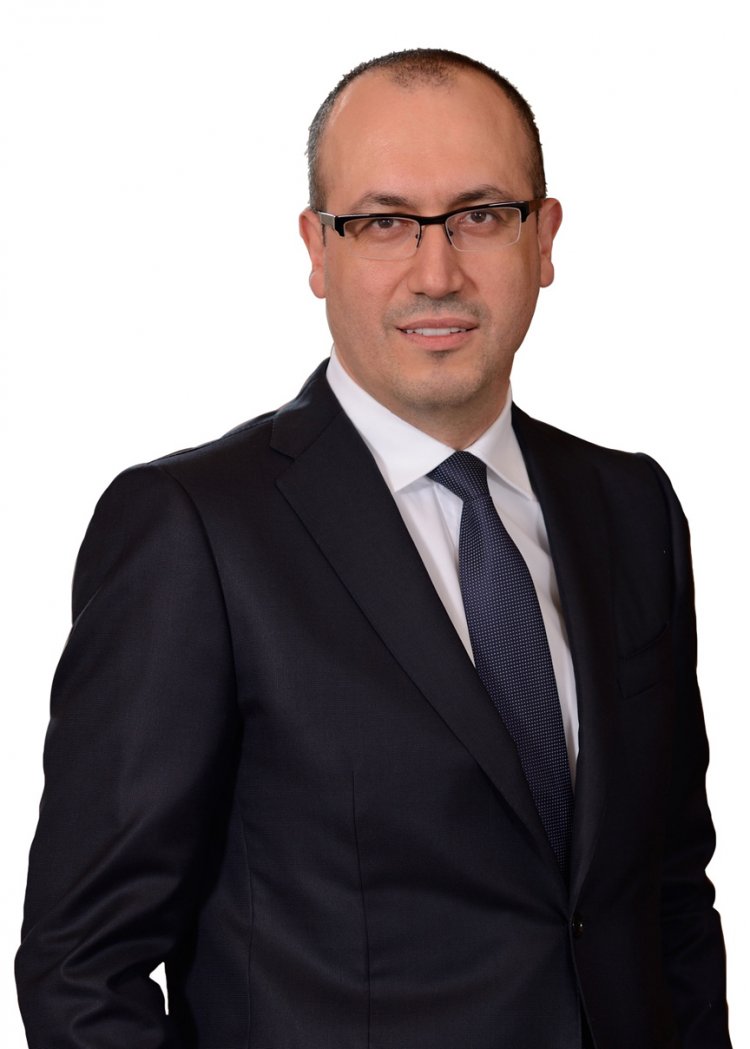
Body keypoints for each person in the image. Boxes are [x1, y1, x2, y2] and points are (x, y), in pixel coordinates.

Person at [16, 48, 731, 1049]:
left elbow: (670, 897)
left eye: (482, 214)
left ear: (544, 238)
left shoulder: (631, 507)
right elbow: (82, 968)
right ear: (318, 248)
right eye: (384, 222)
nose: (437, 272)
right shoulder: (194, 530)